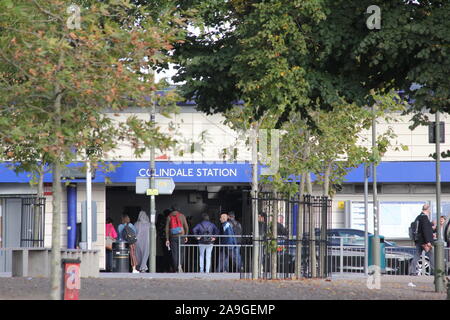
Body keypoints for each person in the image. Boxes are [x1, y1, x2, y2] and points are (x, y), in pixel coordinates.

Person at [409, 204, 434, 275]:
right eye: (429, 210)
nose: (430, 211)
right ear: (428, 209)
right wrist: (428, 241)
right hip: (425, 242)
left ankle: (412, 271)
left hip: (419, 241)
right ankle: (435, 271)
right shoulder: (424, 218)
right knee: (431, 256)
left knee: (417, 255)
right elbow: (425, 230)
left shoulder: (418, 217)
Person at [165, 207, 189, 272]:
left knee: (174, 253)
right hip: (181, 237)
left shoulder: (169, 217)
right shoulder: (182, 216)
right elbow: (186, 227)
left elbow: (166, 229)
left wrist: (167, 239)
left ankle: (176, 269)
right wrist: (186, 236)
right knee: (181, 252)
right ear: (178, 210)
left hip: (172, 237)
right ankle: (180, 266)